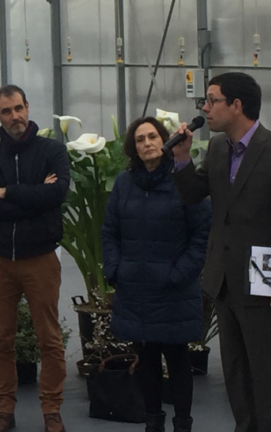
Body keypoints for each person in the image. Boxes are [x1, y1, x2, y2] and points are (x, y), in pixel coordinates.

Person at [171, 71, 271, 432]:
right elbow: (193, 194)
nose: (205, 108)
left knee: (264, 369)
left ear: (237, 105)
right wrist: (182, 158)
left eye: (212, 100)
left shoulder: (269, 149)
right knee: (235, 370)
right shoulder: (216, 148)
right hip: (223, 277)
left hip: (262, 278)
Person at [101, 117, 211, 432]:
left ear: (165, 141)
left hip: (173, 288)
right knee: (146, 360)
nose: (147, 143)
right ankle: (153, 423)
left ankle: (182, 424)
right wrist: (115, 270)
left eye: (153, 136)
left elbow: (202, 233)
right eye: (140, 139)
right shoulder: (124, 183)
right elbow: (110, 231)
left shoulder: (182, 180)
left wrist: (179, 274)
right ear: (133, 147)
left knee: (178, 360)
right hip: (135, 288)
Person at [0, 85, 70, 432]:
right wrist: (34, 196)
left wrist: (9, 192)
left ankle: (52, 409)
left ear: (27, 107)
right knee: (1, 339)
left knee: (49, 338)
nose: (14, 116)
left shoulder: (52, 151)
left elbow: (57, 194)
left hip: (40, 257)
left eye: (18, 108)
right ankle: (4, 409)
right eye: (6, 111)